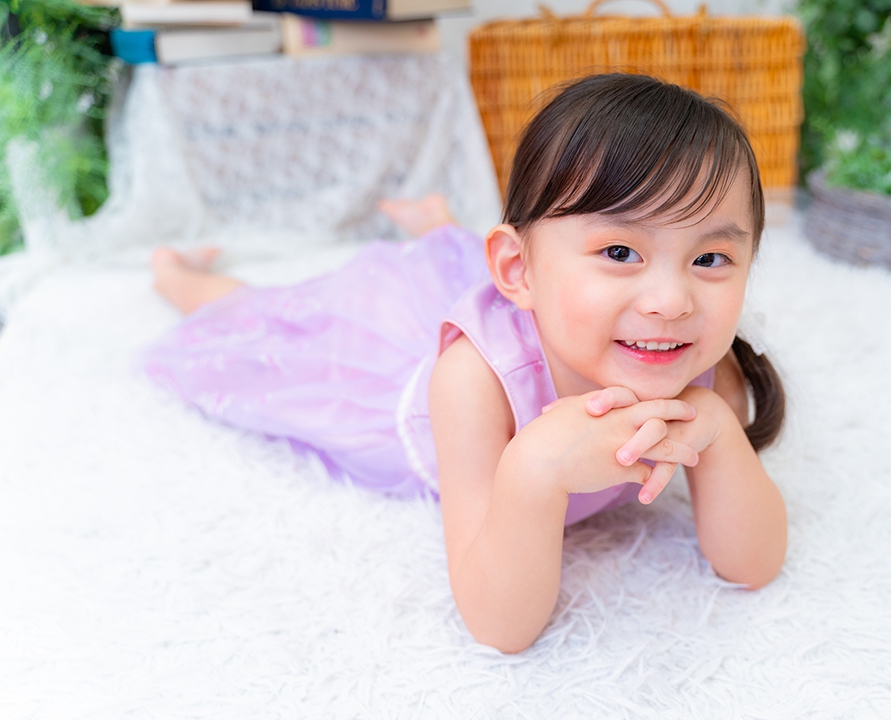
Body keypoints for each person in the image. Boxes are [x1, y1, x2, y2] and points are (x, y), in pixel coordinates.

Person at [145, 73, 788, 653]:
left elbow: (753, 567)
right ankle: (177, 276)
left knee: (468, 265)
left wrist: (718, 430)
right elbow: (498, 627)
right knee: (279, 325)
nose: (672, 302)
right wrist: (536, 466)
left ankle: (439, 228)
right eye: (620, 252)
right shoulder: (473, 381)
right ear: (518, 271)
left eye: (710, 259)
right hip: (399, 360)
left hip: (535, 302)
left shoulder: (703, 371)